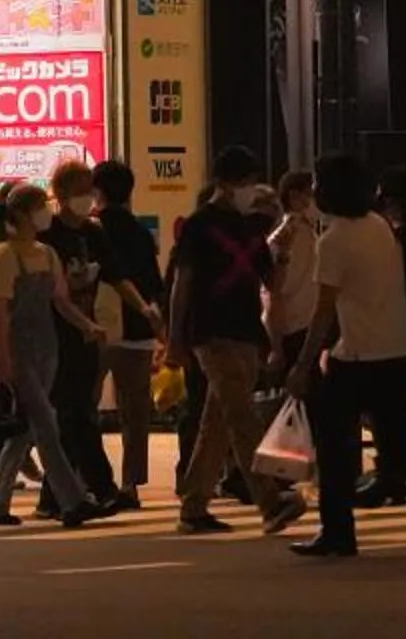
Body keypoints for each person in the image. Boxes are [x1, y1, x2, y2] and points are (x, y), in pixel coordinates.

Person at [288, 152, 406, 559]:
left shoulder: (334, 240)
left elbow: (324, 311)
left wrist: (303, 364)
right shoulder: (379, 228)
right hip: (395, 349)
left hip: (358, 355)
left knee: (335, 444)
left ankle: (338, 530)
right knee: (395, 445)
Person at [168, 146, 303, 534]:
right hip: (211, 332)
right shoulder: (199, 224)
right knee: (242, 416)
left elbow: (270, 284)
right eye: (244, 183)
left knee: (220, 421)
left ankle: (193, 505)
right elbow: (184, 282)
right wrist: (176, 336)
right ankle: (269, 500)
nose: (250, 191)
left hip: (246, 331)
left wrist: (283, 253)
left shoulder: (252, 227)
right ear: (224, 184)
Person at [0, 182, 99, 528]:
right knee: (46, 423)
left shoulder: (46, 254)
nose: (47, 212)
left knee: (26, 431)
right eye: (41, 206)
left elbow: (61, 301)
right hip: (18, 350)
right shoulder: (3, 255)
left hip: (48, 349)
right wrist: (0, 358)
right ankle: (73, 500)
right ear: (22, 215)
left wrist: (87, 325)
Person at [38, 161, 119, 514]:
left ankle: (58, 495)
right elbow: (52, 296)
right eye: (79, 191)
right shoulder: (46, 236)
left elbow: (118, 275)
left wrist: (147, 311)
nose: (87, 198)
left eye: (90, 190)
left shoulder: (94, 233)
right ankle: (99, 487)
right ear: (60, 195)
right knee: (71, 415)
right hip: (54, 335)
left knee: (76, 413)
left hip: (87, 332)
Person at [89, 160, 166, 505]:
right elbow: (153, 282)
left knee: (83, 405)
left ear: (97, 191)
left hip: (97, 328)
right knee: (135, 414)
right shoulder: (139, 232)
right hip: (137, 329)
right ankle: (130, 485)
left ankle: (88, 478)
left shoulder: (91, 230)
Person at [265, 169, 319, 371]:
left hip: (300, 327)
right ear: (295, 196)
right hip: (296, 329)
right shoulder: (291, 236)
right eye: (311, 193)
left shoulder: (305, 232)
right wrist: (276, 346)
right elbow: (277, 291)